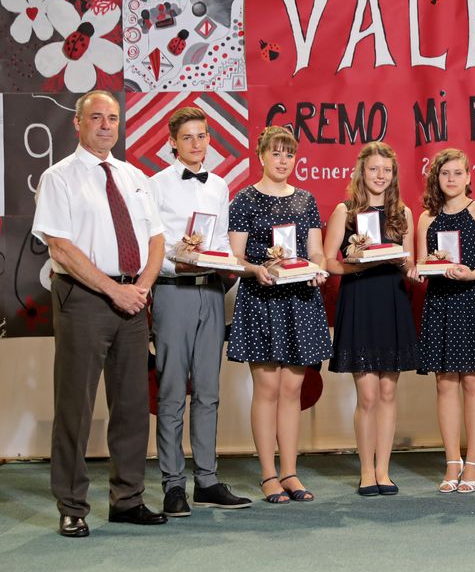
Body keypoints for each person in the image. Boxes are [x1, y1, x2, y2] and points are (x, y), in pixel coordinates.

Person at [32, 89, 167, 537]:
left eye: (112, 118)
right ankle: (72, 505)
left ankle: (127, 499)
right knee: (75, 404)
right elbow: (60, 248)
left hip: (133, 298)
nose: (106, 125)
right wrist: (113, 290)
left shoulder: (134, 177)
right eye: (96, 117)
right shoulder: (59, 177)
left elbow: (156, 239)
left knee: (131, 405)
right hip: (85, 298)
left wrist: (140, 288)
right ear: (78, 123)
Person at [148, 107, 252, 516]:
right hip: (172, 291)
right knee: (173, 392)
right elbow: (151, 246)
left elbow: (222, 242)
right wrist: (178, 263)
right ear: (172, 142)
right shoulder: (155, 185)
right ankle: (173, 485)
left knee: (208, 391)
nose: (196, 143)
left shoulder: (220, 185)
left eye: (202, 136)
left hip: (211, 292)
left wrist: (227, 262)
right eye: (188, 137)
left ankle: (207, 480)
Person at [227, 126, 332, 504]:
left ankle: (290, 472)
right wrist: (256, 270)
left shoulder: (306, 199)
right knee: (267, 389)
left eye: (289, 154)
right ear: (261, 156)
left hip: (300, 300)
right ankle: (268, 475)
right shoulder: (244, 199)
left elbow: (316, 251)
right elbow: (235, 257)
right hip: (262, 300)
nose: (283, 160)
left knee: (292, 391)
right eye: (276, 153)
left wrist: (318, 269)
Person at [324, 142, 417, 497]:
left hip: (392, 301)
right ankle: (366, 471)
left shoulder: (403, 213)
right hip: (360, 300)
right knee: (367, 395)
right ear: (361, 172)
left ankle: (383, 470)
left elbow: (409, 261)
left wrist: (412, 268)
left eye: (386, 170)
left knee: (388, 392)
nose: (380, 176)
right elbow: (328, 262)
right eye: (374, 169)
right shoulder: (345, 211)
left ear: (394, 175)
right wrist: (359, 264)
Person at [413, 149, 475, 494]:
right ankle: (452, 460)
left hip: (473, 300)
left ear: (468, 176)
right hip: (439, 303)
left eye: (458, 173)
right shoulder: (426, 218)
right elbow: (422, 262)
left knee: (473, 382)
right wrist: (418, 271)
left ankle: (474, 460)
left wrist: (470, 274)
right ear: (437, 177)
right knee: (444, 383)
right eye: (445, 173)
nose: (451, 179)